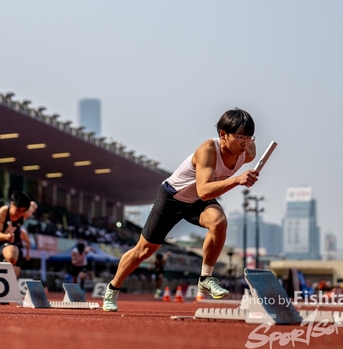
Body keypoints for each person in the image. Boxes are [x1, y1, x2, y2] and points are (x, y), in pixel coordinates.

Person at [103, 108, 258, 312]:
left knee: (219, 222)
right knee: (144, 250)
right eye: (240, 137)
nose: (245, 143)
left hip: (197, 201)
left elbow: (203, 195)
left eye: (248, 137)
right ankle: (113, 288)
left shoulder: (248, 153)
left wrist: (245, 148)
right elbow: (204, 191)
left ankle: (205, 277)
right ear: (223, 134)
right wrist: (237, 180)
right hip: (173, 198)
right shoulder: (208, 150)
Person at [0, 192, 37, 277]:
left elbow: (33, 205)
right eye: (18, 210)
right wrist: (6, 236)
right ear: (12, 204)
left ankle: (2, 268)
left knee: (12, 256)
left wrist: (32, 204)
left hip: (10, 237)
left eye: (23, 211)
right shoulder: (2, 212)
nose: (19, 214)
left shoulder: (26, 212)